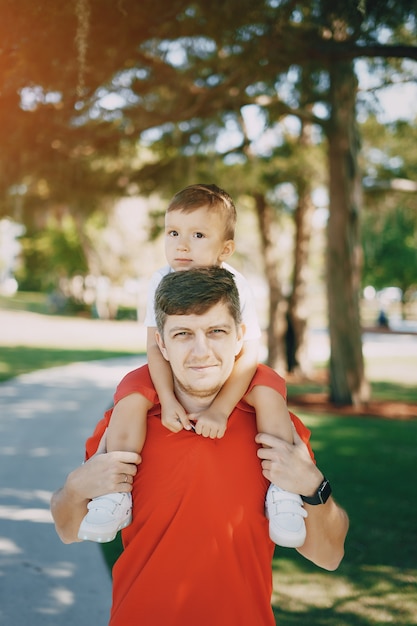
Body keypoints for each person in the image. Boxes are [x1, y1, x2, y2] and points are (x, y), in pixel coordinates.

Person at [51, 267, 348, 626]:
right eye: (183, 334)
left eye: (216, 331)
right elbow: (68, 530)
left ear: (240, 337)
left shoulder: (276, 428)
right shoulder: (127, 422)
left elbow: (329, 555)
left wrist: (314, 487)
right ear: (161, 344)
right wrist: (76, 487)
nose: (201, 350)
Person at [78, 184, 304, 547]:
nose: (182, 245)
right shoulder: (158, 281)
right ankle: (115, 491)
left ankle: (284, 491)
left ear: (225, 248)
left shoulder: (236, 285)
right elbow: (156, 346)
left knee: (269, 388)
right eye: (173, 233)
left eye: (198, 234)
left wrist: (220, 409)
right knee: (133, 391)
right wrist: (166, 399)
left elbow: (249, 353)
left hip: (235, 371)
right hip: (169, 368)